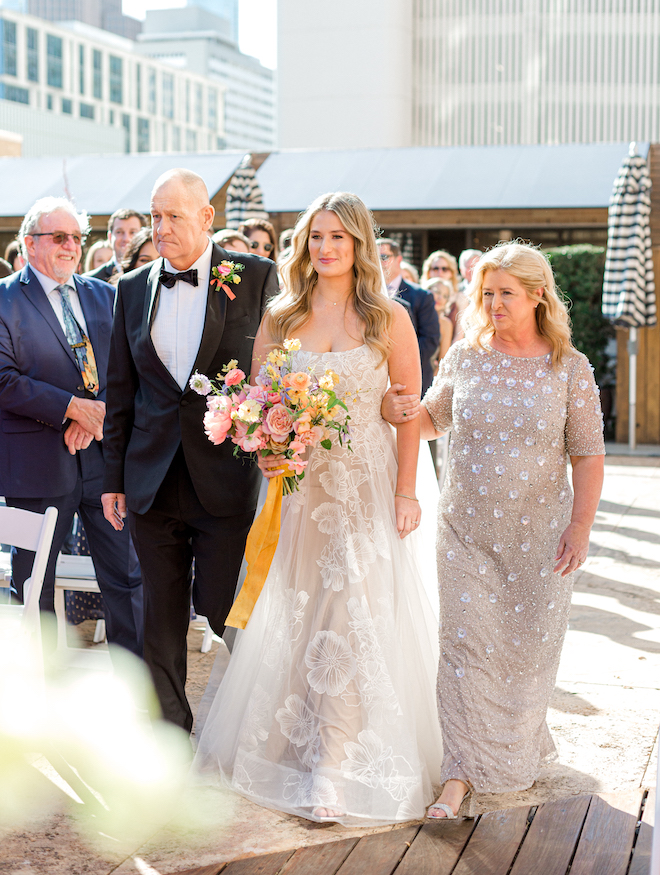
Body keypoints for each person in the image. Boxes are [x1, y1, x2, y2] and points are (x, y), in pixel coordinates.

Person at [194, 191, 442, 826]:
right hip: (299, 494)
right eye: (316, 237)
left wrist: (407, 492)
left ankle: (333, 767)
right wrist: (266, 453)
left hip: (365, 488)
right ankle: (288, 749)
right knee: (298, 614)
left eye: (338, 237)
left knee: (352, 616)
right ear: (303, 245)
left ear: (359, 245)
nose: (326, 248)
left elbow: (408, 410)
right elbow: (257, 405)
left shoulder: (388, 316)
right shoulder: (282, 316)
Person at [383, 242, 605, 818]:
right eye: (487, 293)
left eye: (506, 293)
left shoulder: (570, 368)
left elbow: (586, 454)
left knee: (525, 657)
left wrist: (580, 527)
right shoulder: (466, 357)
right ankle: (458, 773)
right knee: (463, 651)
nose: (494, 303)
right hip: (466, 534)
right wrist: (393, 409)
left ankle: (515, 749)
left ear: (538, 296)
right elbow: (432, 419)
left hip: (540, 539)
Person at [101, 168, 279, 733]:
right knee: (160, 610)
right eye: (155, 215)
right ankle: (169, 732)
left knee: (228, 607)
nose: (161, 227)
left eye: (174, 215)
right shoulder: (130, 289)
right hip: (150, 477)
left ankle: (252, 730)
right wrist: (112, 478)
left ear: (207, 217)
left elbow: (277, 374)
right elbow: (119, 391)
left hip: (225, 476)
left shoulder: (255, 277)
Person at [0, 197, 143, 656]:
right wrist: (69, 408)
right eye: (58, 237)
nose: (70, 247)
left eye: (77, 238)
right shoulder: (4, 298)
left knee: (126, 578)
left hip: (105, 463)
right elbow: (3, 379)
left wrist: (91, 412)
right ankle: (39, 703)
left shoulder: (105, 294)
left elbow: (128, 369)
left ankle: (138, 696)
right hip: (36, 466)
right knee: (33, 586)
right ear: (30, 242)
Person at [378, 238, 439, 395]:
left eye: (384, 257)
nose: (379, 262)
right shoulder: (365, 295)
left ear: (399, 259)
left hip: (411, 378)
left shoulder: (421, 296)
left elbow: (430, 340)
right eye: (374, 257)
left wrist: (399, 363)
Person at [85, 208, 147, 281]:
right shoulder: (90, 280)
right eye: (119, 232)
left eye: (133, 232)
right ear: (110, 237)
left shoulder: (152, 273)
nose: (126, 239)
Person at [421, 249, 467, 342]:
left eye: (444, 269)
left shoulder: (460, 298)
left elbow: (460, 334)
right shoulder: (420, 295)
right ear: (428, 272)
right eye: (435, 268)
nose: (440, 272)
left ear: (451, 273)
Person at [425, 277, 453, 371]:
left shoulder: (445, 324)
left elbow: (443, 361)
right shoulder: (413, 316)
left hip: (430, 375)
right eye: (437, 292)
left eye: (445, 296)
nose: (440, 298)